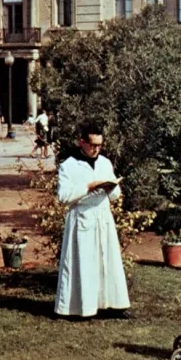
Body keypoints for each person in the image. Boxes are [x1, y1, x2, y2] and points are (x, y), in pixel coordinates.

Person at [54, 121, 129, 318]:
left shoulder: (105, 163)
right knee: (84, 262)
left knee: (107, 260)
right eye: (93, 145)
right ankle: (82, 307)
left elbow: (115, 196)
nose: (96, 149)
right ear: (81, 142)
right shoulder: (68, 166)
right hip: (82, 217)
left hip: (103, 215)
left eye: (100, 145)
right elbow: (63, 197)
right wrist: (88, 186)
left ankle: (112, 304)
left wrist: (111, 188)